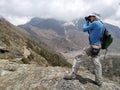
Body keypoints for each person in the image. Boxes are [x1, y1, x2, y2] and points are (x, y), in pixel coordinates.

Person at [64, 13, 103, 86]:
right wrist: (89, 21)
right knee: (97, 63)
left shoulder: (95, 23)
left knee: (77, 58)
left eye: (90, 17)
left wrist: (86, 22)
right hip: (98, 47)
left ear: (94, 17)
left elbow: (84, 29)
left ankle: (72, 75)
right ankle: (99, 81)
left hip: (92, 47)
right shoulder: (101, 23)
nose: (89, 18)